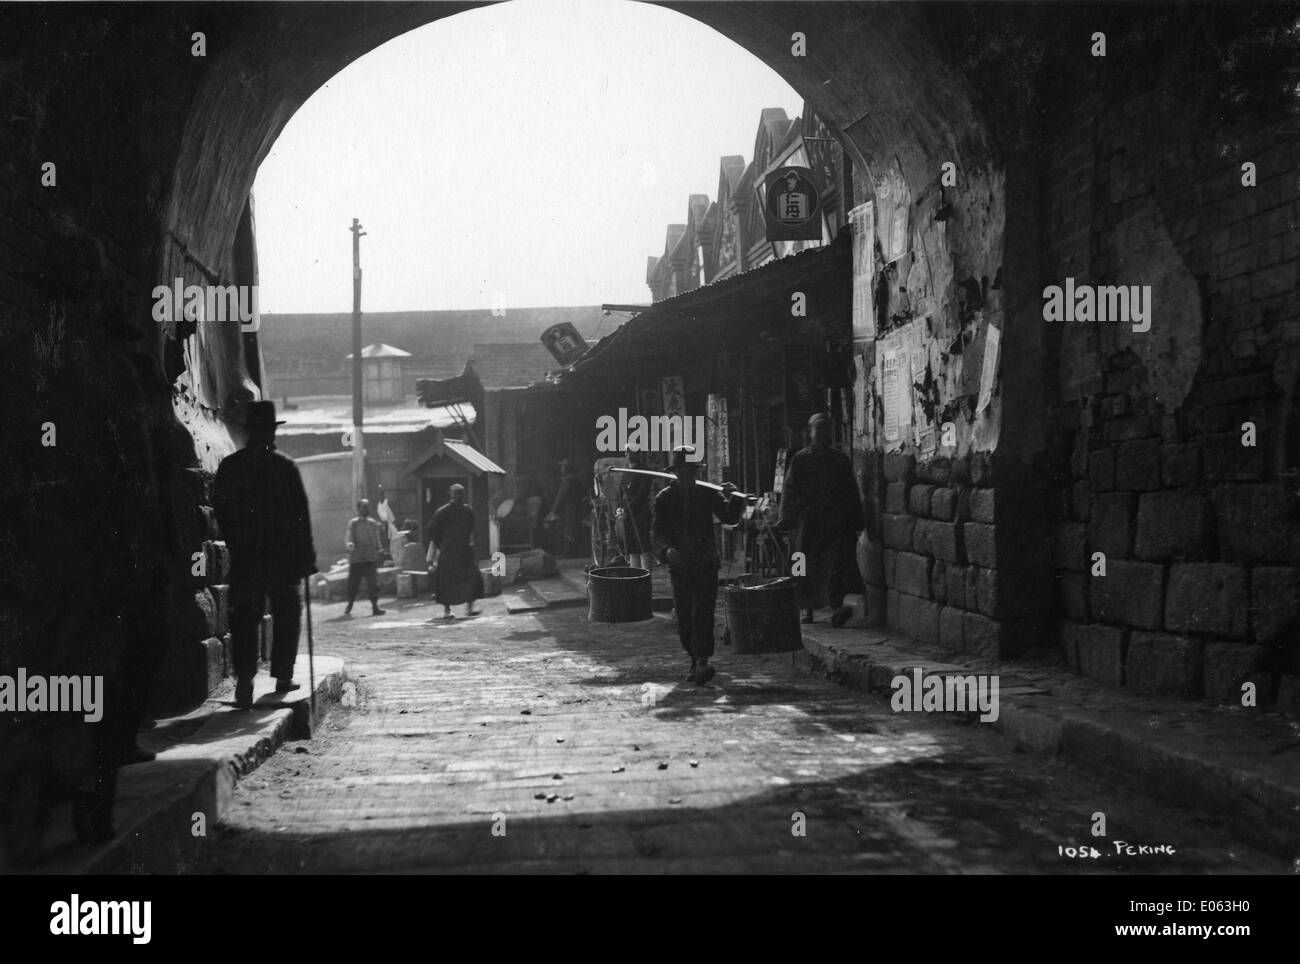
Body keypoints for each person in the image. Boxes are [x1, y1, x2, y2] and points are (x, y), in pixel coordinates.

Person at [214, 401, 318, 709]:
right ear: (271, 432)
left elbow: (222, 511)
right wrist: (306, 559)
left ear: (248, 432)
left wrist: (236, 543)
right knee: (287, 616)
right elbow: (301, 517)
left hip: (247, 558)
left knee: (244, 620)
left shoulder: (231, 467)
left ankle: (245, 682)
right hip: (282, 560)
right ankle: (283, 676)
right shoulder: (285, 467)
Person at [651, 445, 743, 685]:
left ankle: (702, 661)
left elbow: (729, 518)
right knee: (684, 617)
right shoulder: (665, 499)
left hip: (704, 561)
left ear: (696, 471)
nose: (688, 476)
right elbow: (657, 533)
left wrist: (733, 499)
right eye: (683, 471)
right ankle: (694, 659)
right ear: (675, 472)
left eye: (691, 471)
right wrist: (666, 550)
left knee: (702, 612)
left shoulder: (708, 494)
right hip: (679, 564)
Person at [778, 413, 865, 627]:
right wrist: (787, 518)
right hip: (807, 522)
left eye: (826, 429)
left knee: (837, 564)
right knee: (801, 563)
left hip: (834, 520)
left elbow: (850, 491)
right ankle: (804, 607)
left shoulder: (839, 460)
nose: (823, 433)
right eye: (819, 429)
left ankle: (836, 606)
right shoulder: (800, 460)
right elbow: (789, 489)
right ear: (811, 432)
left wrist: (857, 519)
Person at [429, 483, 483, 618]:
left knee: (472, 577)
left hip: (464, 549)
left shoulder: (467, 511)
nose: (459, 496)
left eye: (461, 493)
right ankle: (447, 610)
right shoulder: (443, 511)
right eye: (456, 493)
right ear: (451, 494)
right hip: (449, 551)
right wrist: (442, 544)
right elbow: (433, 530)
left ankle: (470, 608)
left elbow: (471, 526)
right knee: (446, 580)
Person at [344, 499, 387, 617]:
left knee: (373, 583)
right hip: (357, 559)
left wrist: (379, 548)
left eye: (368, 507)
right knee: (353, 584)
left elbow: (376, 537)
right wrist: (350, 545)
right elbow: (349, 536)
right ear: (358, 509)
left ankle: (375, 607)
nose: (366, 510)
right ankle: (350, 603)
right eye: (364, 507)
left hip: (370, 558)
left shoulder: (372, 523)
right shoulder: (353, 523)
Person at [619, 447, 654, 571]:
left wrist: (629, 508)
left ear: (638, 453)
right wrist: (621, 508)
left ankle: (645, 577)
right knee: (631, 546)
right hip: (627, 515)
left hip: (641, 513)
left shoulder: (645, 471)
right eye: (626, 452)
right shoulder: (625, 472)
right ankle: (635, 577)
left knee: (643, 545)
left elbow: (642, 493)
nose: (628, 454)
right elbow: (621, 492)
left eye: (631, 451)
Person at [547, 459, 584, 556]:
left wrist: (554, 510)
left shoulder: (568, 480)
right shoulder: (575, 479)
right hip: (576, 508)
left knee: (569, 530)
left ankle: (569, 552)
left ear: (566, 469)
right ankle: (574, 551)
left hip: (570, 509)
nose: (561, 469)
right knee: (574, 530)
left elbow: (561, 496)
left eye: (562, 467)